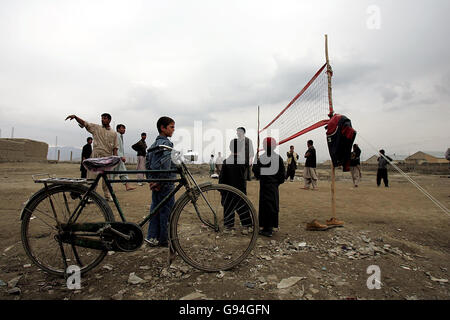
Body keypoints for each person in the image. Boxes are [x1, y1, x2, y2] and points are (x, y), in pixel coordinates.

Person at [66, 113, 118, 201]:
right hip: (96, 158)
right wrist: (75, 117)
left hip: (107, 158)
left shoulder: (114, 133)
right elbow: (85, 123)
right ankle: (90, 196)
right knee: (92, 179)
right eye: (102, 118)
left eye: (105, 118)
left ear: (109, 120)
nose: (102, 120)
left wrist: (114, 159)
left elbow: (115, 148)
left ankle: (108, 196)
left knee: (107, 180)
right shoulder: (96, 128)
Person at [144, 117, 176, 247]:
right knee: (167, 211)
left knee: (155, 209)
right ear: (163, 128)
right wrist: (161, 182)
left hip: (155, 183)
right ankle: (164, 239)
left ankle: (152, 236)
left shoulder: (152, 145)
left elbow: (147, 164)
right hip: (165, 183)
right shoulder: (167, 144)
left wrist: (151, 181)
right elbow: (166, 163)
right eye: (171, 127)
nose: (173, 130)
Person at [252, 137, 285, 237]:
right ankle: (269, 227)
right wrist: (276, 183)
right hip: (273, 186)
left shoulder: (261, 158)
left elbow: (255, 171)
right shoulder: (278, 158)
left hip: (265, 185)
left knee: (265, 206)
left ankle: (267, 229)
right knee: (272, 206)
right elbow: (282, 175)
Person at [219, 139, 251, 230]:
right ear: (241, 148)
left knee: (228, 208)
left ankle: (229, 225)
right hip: (240, 190)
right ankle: (247, 225)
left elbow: (221, 178)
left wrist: (221, 190)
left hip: (228, 190)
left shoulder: (226, 162)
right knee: (243, 208)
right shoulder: (243, 162)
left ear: (230, 148)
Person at [113, 124, 136, 191]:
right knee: (119, 172)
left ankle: (127, 186)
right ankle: (127, 186)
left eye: (124, 128)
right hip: (117, 157)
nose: (124, 130)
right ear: (118, 129)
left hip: (118, 157)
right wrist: (120, 157)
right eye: (122, 128)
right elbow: (116, 147)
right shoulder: (117, 135)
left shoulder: (120, 136)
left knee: (119, 172)